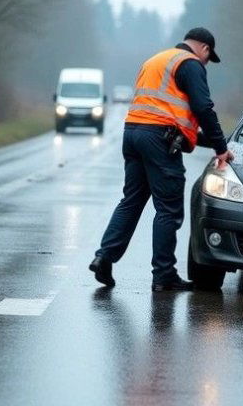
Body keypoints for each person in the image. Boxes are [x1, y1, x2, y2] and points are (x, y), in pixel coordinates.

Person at [89, 27, 234, 291]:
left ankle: (104, 257)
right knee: (168, 209)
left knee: (131, 201)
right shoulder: (190, 64)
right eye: (208, 58)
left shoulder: (156, 60)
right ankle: (164, 275)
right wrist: (221, 148)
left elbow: (171, 117)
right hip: (159, 140)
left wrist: (215, 143)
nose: (206, 64)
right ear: (204, 49)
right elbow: (203, 108)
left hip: (133, 133)